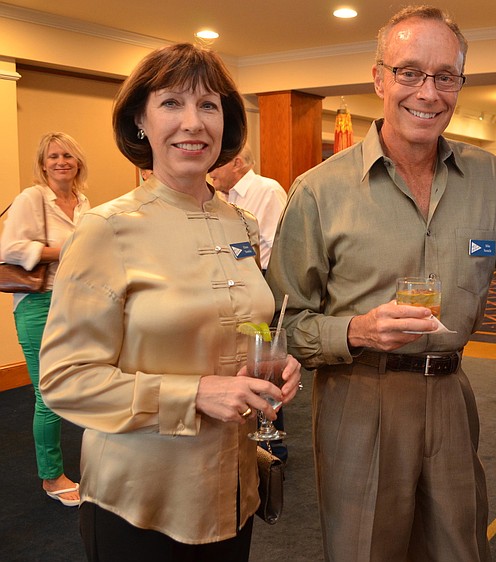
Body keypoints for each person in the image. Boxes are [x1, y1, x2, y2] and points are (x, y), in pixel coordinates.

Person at [265, 5, 496, 561]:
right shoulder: (320, 191)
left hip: (455, 393)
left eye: (445, 76)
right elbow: (281, 325)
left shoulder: (492, 180)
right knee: (367, 550)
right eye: (409, 72)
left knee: (461, 547)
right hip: (358, 395)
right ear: (379, 77)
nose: (427, 92)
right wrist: (356, 331)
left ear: (460, 83)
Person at [39, 43, 301, 561]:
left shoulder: (238, 222)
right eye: (172, 103)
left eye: (209, 106)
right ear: (140, 119)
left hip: (231, 489)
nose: (193, 123)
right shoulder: (106, 230)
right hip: (141, 498)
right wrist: (194, 394)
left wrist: (274, 356)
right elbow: (64, 380)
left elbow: (248, 323)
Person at [0, 132, 90, 507]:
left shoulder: (84, 201)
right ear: (43, 164)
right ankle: (51, 477)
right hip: (38, 303)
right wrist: (64, 249)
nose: (61, 161)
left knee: (86, 384)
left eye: (68, 154)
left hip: (77, 303)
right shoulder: (31, 198)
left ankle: (98, 464)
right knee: (47, 392)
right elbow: (10, 248)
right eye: (53, 156)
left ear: (78, 162)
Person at [209, 145, 287, 271]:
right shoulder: (219, 197)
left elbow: (285, 248)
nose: (210, 172)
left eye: (215, 164)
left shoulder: (268, 191)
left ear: (237, 164)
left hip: (263, 278)